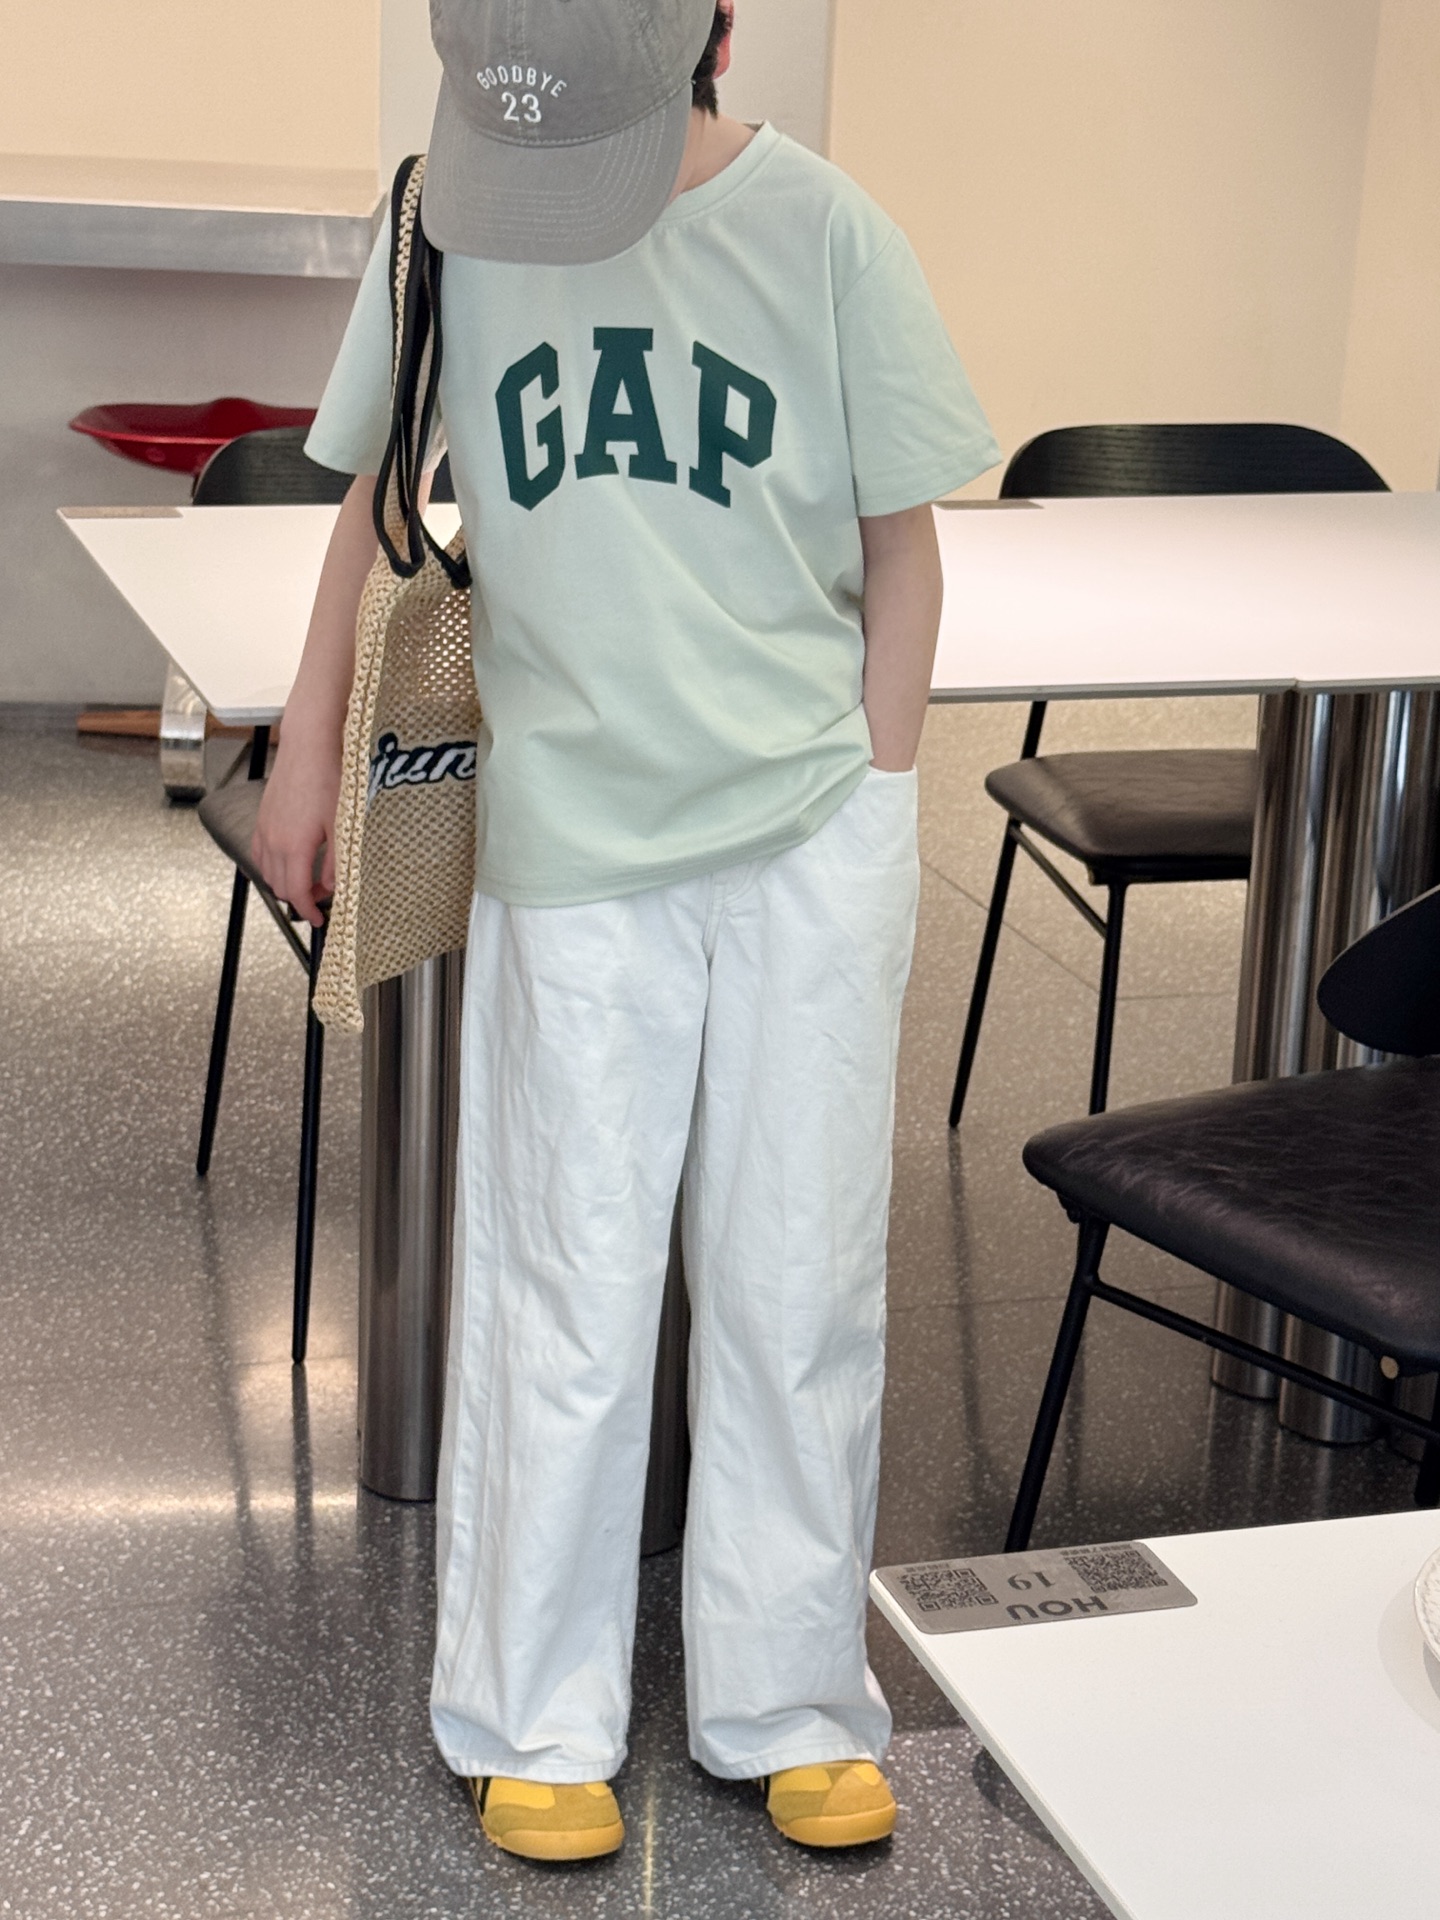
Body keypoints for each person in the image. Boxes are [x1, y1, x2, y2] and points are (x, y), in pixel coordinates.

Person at [255, 0, 997, 1864]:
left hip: (806, 833)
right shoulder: (452, 218)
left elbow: (904, 547)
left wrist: (877, 780)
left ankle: (791, 1696)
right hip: (569, 838)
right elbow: (370, 502)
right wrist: (306, 741)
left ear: (708, 31)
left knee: (798, 1280)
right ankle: (531, 1707)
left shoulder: (825, 232)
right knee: (560, 1279)